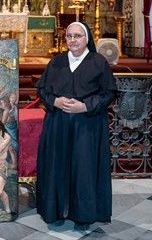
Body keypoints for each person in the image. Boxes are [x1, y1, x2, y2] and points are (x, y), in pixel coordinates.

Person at [36, 22, 117, 231]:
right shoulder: (56, 62)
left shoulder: (98, 62)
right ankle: (54, 211)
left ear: (87, 38)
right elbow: (42, 89)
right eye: (69, 36)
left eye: (78, 36)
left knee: (84, 168)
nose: (73, 40)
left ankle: (83, 214)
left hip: (87, 125)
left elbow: (109, 93)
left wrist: (86, 106)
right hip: (58, 124)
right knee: (57, 165)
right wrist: (54, 101)